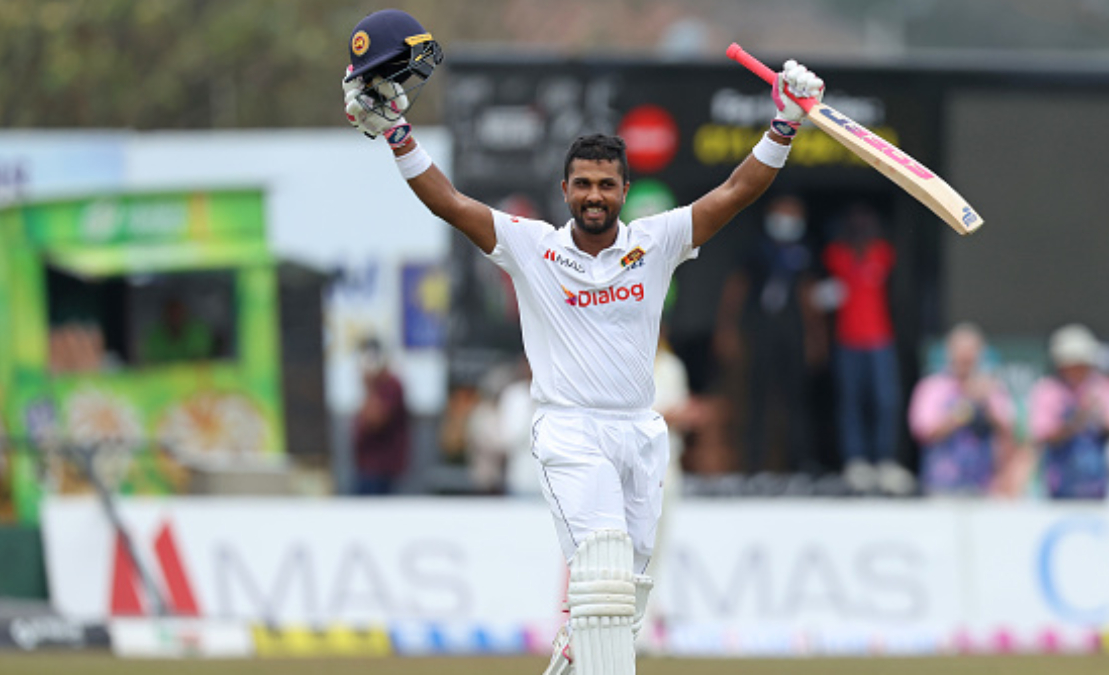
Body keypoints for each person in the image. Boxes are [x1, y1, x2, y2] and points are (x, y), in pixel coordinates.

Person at [340, 10, 825, 675]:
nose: (594, 196)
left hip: (639, 432)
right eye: (583, 184)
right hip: (570, 431)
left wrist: (785, 124)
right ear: (565, 190)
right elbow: (450, 202)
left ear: (624, 190)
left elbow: (738, 190)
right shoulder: (532, 246)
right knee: (599, 566)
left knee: (619, 599)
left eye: (606, 184)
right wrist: (398, 135)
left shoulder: (654, 243)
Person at [715, 195, 825, 479]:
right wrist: (727, 329)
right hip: (760, 327)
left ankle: (799, 463)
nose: (787, 220)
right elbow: (736, 289)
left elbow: (809, 294)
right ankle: (754, 464)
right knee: (757, 394)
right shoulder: (756, 248)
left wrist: (816, 336)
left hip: (793, 329)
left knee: (795, 398)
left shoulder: (804, 250)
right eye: (783, 213)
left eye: (794, 214)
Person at [822, 203, 914, 496]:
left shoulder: (882, 253)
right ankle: (857, 461)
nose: (862, 230)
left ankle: (885, 460)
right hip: (847, 340)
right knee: (851, 402)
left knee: (885, 401)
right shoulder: (836, 255)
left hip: (880, 340)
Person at [1029, 324, 1109, 500]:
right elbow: (1044, 435)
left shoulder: (1102, 388)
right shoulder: (1048, 390)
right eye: (1073, 363)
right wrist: (1078, 418)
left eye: (1082, 363)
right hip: (1058, 489)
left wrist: (1098, 416)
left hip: (1098, 489)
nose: (1078, 369)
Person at [908, 323, 1015, 497]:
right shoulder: (931, 387)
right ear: (949, 352)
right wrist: (965, 406)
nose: (966, 356)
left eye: (971, 351)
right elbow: (924, 432)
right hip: (940, 487)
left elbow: (1008, 433)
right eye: (961, 350)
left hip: (985, 489)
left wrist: (986, 405)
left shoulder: (992, 389)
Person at [351, 336, 410, 495]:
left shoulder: (391, 386)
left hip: (381, 469)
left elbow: (376, 420)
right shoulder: (376, 386)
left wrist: (369, 386)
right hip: (366, 467)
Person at [142, 296, 214, 364]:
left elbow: (200, 359)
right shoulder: (155, 334)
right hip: (163, 376)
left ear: (186, 313)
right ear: (165, 315)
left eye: (178, 313)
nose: (175, 317)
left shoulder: (197, 330)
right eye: (172, 314)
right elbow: (151, 362)